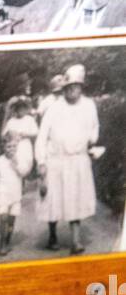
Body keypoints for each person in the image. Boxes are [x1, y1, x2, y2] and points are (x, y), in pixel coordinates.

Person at [35, 63, 100, 255]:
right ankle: (53, 234)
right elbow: (42, 136)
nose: (72, 90)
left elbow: (95, 126)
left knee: (75, 199)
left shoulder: (89, 105)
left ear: (81, 87)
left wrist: (92, 139)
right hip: (56, 159)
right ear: (63, 89)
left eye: (76, 86)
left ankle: (75, 241)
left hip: (78, 160)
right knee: (52, 199)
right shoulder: (54, 109)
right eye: (68, 87)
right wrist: (41, 161)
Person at [0, 94, 38, 255]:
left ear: (27, 108)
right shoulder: (11, 121)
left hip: (24, 147)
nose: (21, 110)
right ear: (15, 109)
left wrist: (23, 135)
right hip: (13, 146)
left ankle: (22, 183)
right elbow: (4, 135)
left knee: (20, 168)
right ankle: (2, 242)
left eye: (23, 107)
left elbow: (35, 132)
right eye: (18, 108)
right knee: (10, 166)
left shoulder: (30, 120)